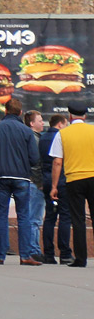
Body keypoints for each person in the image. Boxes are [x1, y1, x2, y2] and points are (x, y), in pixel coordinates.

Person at [0, 97, 41, 265]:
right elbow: (34, 158)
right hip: (22, 177)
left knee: (1, 214)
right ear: (20, 112)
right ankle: (25, 256)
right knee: (24, 216)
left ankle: (0, 255)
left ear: (5, 110)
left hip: (0, 176)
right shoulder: (26, 131)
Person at [49, 104, 94, 268]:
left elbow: (57, 162)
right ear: (85, 116)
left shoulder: (62, 134)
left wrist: (54, 186)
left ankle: (81, 259)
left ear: (70, 116)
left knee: (78, 220)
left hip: (74, 180)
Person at [40, 114, 72, 264]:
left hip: (46, 180)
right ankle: (65, 253)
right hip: (62, 179)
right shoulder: (63, 137)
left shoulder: (42, 138)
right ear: (60, 124)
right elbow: (58, 162)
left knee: (50, 217)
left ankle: (48, 254)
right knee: (65, 216)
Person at [25, 110, 47, 262]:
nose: (43, 123)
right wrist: (40, 183)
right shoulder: (35, 140)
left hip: (27, 181)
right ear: (32, 123)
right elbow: (36, 164)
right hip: (35, 183)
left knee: (30, 216)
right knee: (35, 218)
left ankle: (30, 248)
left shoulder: (26, 137)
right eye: (40, 120)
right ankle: (34, 249)